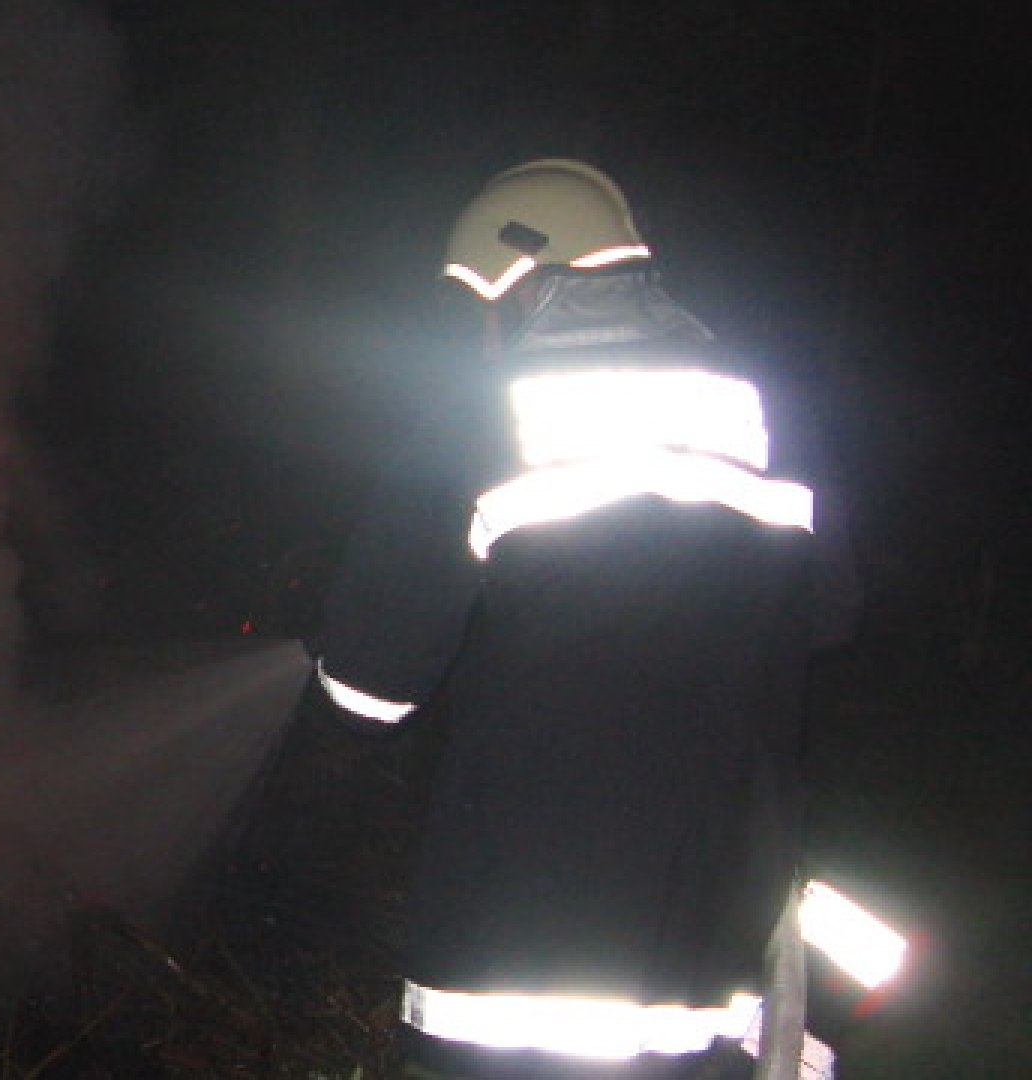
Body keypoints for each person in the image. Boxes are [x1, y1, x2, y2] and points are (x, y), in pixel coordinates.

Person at [312, 159, 858, 1079]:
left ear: (514, 277)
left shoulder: (478, 413)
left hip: (514, 973)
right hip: (711, 965)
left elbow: (367, 686)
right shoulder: (773, 408)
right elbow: (830, 617)